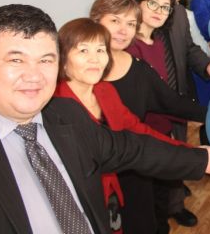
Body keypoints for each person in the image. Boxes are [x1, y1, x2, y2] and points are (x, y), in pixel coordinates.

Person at [0, 4, 210, 233]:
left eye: (45, 60)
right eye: (16, 60)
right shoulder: (62, 104)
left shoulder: (66, 114)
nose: (34, 75)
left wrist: (199, 157)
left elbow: (133, 145)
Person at [55, 18, 187, 234]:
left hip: (111, 193)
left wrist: (187, 151)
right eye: (83, 50)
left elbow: (137, 128)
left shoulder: (105, 90)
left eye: (100, 50)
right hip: (77, 205)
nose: (94, 59)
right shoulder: (54, 105)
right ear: (62, 58)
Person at [90, 0, 208, 233]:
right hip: (94, 176)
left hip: (134, 170)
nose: (123, 30)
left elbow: (172, 103)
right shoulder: (79, 70)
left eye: (130, 23)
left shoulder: (138, 69)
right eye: (115, 20)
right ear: (96, 21)